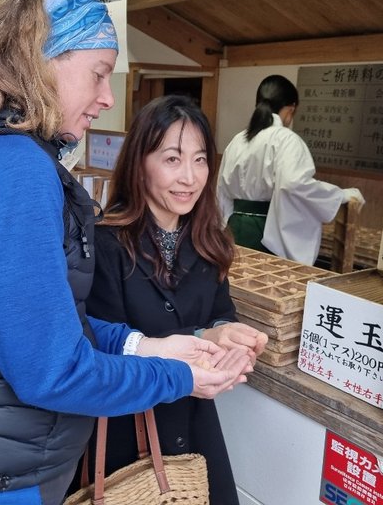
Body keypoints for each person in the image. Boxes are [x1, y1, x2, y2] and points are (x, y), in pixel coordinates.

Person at [0, 0, 253, 505]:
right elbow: (51, 371)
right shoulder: (12, 167)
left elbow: (47, 325)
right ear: (41, 59)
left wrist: (146, 345)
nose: (107, 98)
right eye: (99, 74)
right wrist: (179, 376)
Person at [80, 94, 268, 505]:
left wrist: (228, 335)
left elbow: (220, 313)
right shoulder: (105, 243)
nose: (189, 177)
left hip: (194, 425)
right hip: (126, 432)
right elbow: (97, 347)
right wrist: (202, 337)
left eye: (200, 159)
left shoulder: (209, 242)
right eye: (172, 159)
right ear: (139, 164)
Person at [216, 74, 364, 265]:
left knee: (234, 285)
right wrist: (340, 195)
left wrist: (220, 228)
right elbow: (294, 184)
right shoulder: (285, 139)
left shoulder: (238, 140)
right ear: (291, 109)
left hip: (233, 229)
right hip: (267, 233)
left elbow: (221, 189)